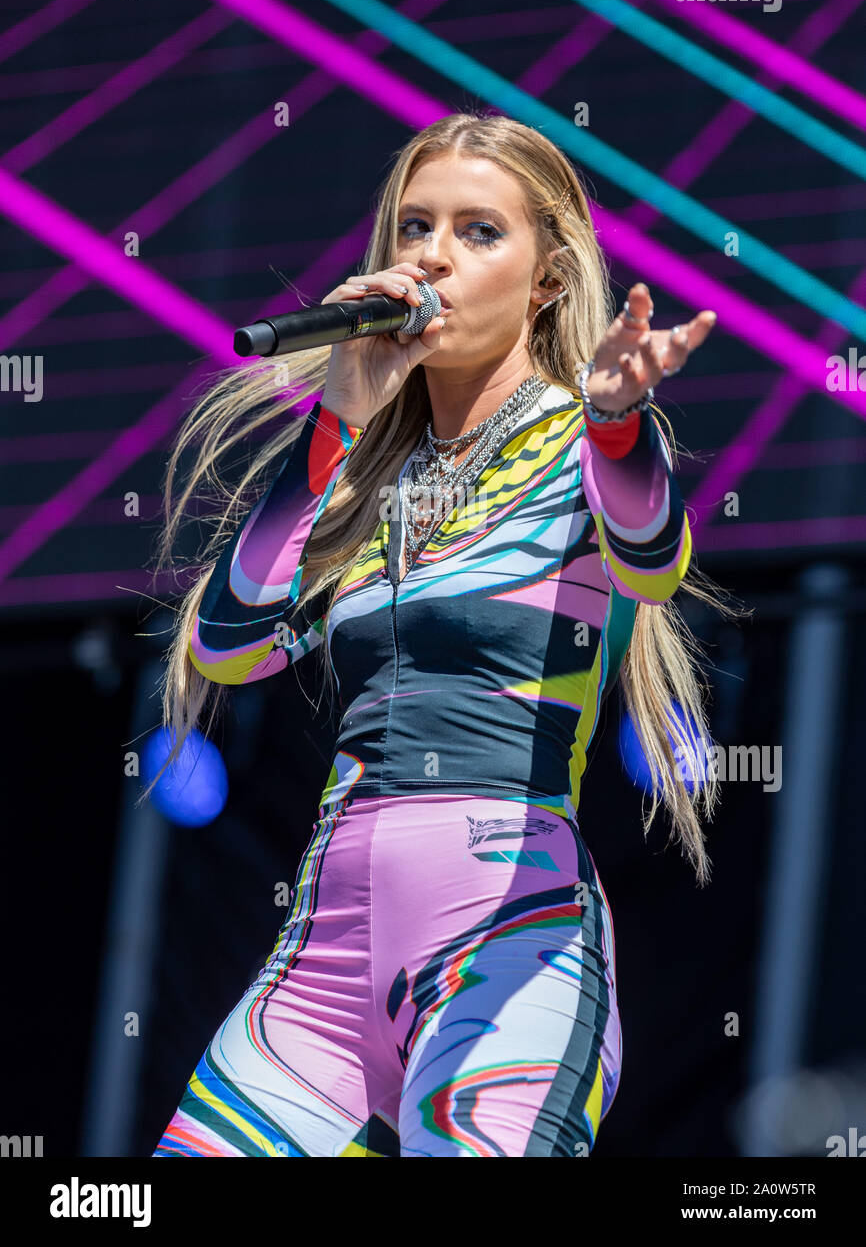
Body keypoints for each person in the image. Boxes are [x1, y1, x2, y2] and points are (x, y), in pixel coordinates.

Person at [147, 112, 723, 1157]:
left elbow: (651, 557)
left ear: (548, 277)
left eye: (475, 231)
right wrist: (336, 420)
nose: (430, 256)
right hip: (319, 969)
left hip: (506, 954)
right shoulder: (363, 469)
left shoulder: (581, 436)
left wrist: (617, 425)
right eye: (414, 226)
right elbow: (231, 646)